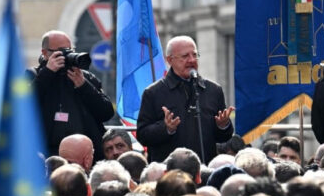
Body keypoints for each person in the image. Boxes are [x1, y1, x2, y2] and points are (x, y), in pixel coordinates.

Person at [137, 35, 234, 164]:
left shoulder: (213, 90)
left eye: (194, 55)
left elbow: (223, 137)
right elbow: (143, 135)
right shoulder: (153, 93)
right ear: (170, 60)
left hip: (205, 168)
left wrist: (223, 126)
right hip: (170, 171)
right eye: (185, 56)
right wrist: (166, 128)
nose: (192, 60)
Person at [30, 30, 114, 161]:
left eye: (69, 50)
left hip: (85, 154)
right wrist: (48, 73)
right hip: (47, 154)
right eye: (61, 52)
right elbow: (25, 105)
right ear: (45, 53)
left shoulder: (84, 77)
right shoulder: (35, 75)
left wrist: (83, 85)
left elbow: (106, 112)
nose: (66, 55)